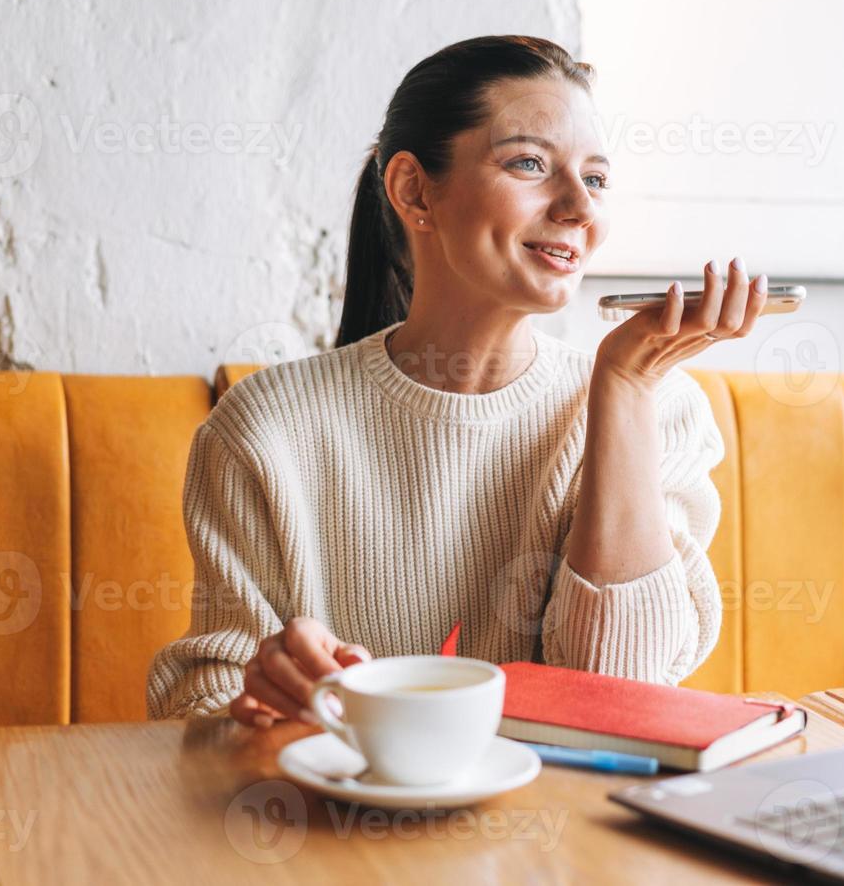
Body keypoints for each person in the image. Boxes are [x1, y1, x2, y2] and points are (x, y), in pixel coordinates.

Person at [147, 35, 770, 726]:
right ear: (414, 189)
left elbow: (617, 698)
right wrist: (261, 701)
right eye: (531, 163)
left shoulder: (661, 407)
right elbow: (197, 715)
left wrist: (623, 386)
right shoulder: (267, 429)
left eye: (595, 179)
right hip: (342, 827)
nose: (579, 208)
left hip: (571, 829)